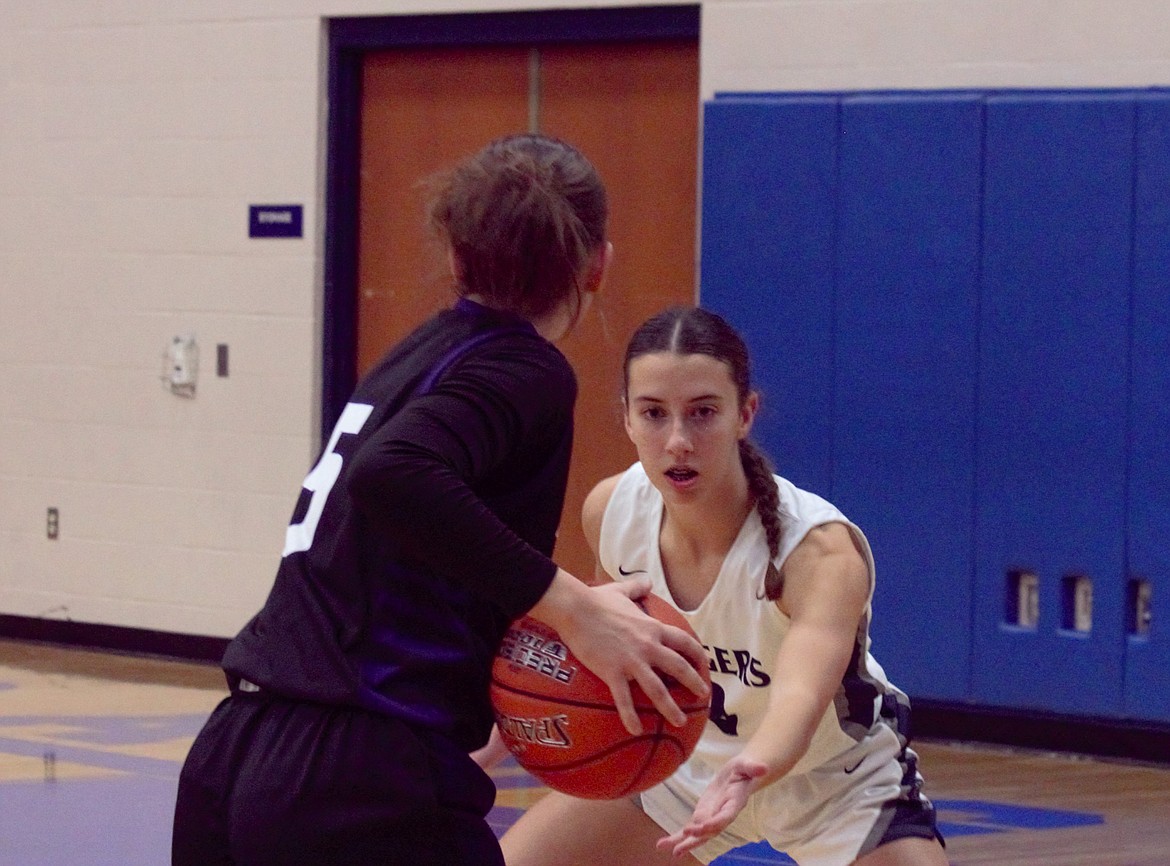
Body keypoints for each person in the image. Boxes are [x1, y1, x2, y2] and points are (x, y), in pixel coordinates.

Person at [171, 135, 708, 866]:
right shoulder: (526, 369)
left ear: (455, 258)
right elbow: (393, 474)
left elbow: (405, 543)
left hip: (237, 750)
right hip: (353, 781)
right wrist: (574, 609)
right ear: (597, 265)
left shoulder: (421, 354)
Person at [498, 306, 948, 866]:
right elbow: (598, 659)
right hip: (677, 768)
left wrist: (748, 768)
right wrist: (506, 726)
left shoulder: (818, 551)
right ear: (627, 420)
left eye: (703, 412)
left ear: (745, 414)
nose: (679, 440)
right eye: (654, 413)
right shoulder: (611, 511)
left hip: (833, 783)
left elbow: (799, 700)